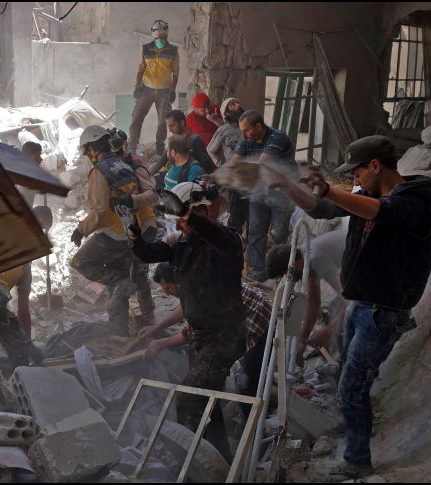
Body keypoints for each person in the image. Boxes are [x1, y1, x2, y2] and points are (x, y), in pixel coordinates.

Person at [267, 135, 431, 480]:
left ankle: (357, 459)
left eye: (358, 172)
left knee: (352, 385)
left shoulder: (414, 203)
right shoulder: (371, 195)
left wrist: (331, 191)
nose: (355, 180)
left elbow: (380, 213)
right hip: (361, 304)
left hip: (383, 312)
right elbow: (323, 208)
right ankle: (350, 417)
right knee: (347, 371)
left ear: (375, 166)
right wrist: (287, 186)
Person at [128, 181, 246, 461]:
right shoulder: (183, 242)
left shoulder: (227, 242)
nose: (179, 228)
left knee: (189, 399)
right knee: (209, 403)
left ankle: (193, 468)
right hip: (199, 336)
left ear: (203, 212)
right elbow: (149, 253)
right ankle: (220, 462)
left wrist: (188, 215)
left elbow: (216, 235)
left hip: (223, 336)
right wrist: (133, 233)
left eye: (184, 221)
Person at [142, 262, 271, 403]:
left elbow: (192, 333)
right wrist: (157, 327)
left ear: (177, 282)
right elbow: (184, 310)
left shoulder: (200, 293)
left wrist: (161, 343)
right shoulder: (192, 281)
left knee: (246, 385)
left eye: (168, 288)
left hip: (261, 322)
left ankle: (252, 419)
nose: (166, 293)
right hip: (256, 311)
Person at [70, 125, 140, 336]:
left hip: (111, 234)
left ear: (92, 148)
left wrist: (81, 230)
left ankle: (122, 283)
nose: (88, 156)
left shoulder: (98, 172)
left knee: (80, 261)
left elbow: (99, 211)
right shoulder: (123, 166)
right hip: (130, 234)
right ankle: (119, 333)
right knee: (116, 287)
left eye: (87, 151)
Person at [227, 110, 298, 282]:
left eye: (246, 130)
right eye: (241, 131)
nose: (243, 135)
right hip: (259, 190)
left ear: (259, 126)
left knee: (278, 234)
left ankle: (282, 273)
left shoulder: (278, 138)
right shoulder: (246, 140)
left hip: (282, 192)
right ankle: (259, 272)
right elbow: (234, 164)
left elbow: (262, 164)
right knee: (256, 232)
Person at [265, 227, 348, 356]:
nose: (290, 280)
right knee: (336, 312)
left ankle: (344, 366)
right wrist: (303, 339)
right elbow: (313, 302)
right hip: (360, 269)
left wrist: (328, 332)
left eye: (287, 274)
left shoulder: (316, 259)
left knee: (343, 316)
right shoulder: (306, 258)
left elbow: (350, 301)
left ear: (293, 263)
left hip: (377, 264)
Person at [109, 129, 158, 324]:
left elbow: (154, 194)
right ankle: (118, 323)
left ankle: (149, 321)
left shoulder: (136, 168)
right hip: (120, 232)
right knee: (118, 276)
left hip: (142, 229)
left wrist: (132, 200)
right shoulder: (107, 169)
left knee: (139, 278)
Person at [129, 20, 179, 156]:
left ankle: (159, 149)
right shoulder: (146, 49)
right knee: (136, 118)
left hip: (164, 91)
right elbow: (141, 70)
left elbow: (175, 73)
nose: (161, 40)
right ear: (153, 36)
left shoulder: (173, 51)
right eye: (158, 38)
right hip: (146, 89)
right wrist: (137, 86)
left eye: (163, 37)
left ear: (167, 36)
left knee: (163, 122)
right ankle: (131, 149)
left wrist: (173, 90)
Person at [207, 98, 248, 233]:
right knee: (236, 215)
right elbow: (211, 150)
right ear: (227, 113)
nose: (238, 105)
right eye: (232, 104)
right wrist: (222, 165)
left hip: (253, 176)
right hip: (235, 178)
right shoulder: (224, 131)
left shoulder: (250, 126)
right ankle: (234, 240)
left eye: (238, 102)